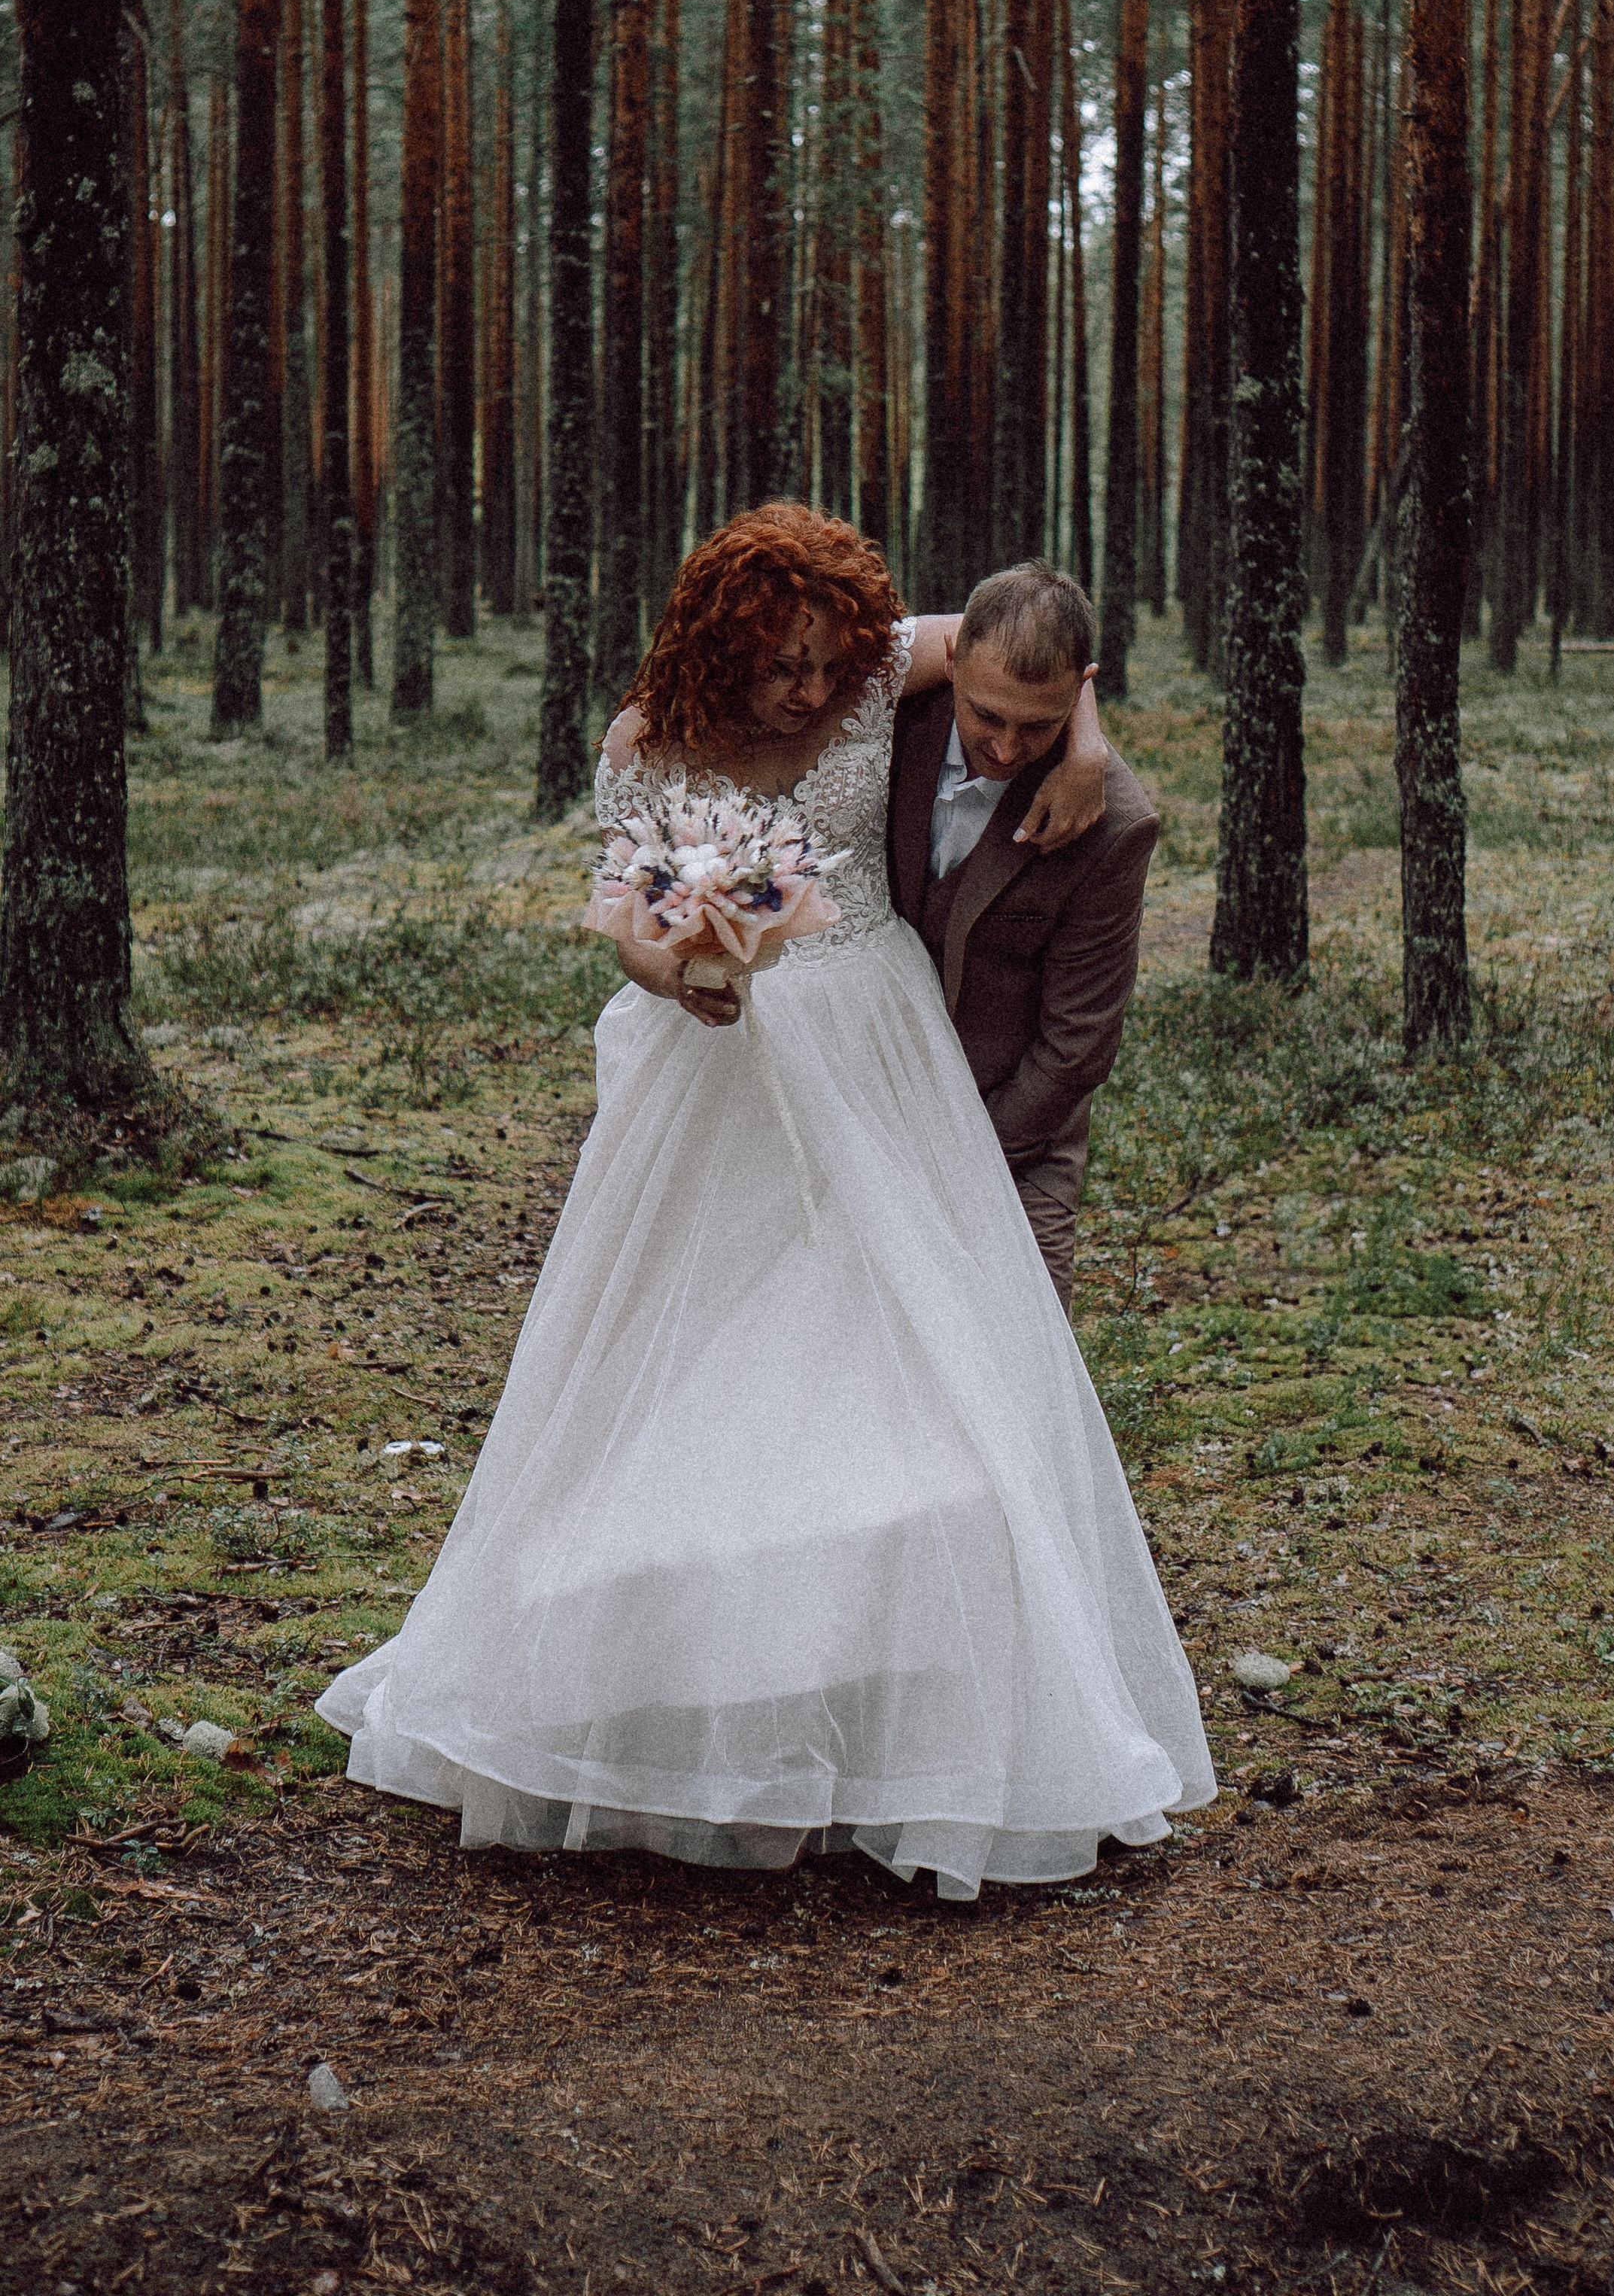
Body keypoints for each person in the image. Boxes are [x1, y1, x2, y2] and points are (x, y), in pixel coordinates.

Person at [318, 506, 1212, 1900]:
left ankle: (885, 1715)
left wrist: (1088, 740)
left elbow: (1020, 658)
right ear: (720, 647)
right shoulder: (644, 750)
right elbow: (626, 921)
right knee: (689, 1363)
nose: (812, 689)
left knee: (893, 1363)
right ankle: (670, 1697)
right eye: (781, 667)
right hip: (719, 1063)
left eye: (824, 662)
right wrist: (685, 973)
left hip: (879, 1047)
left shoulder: (871, 677)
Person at [889, 561, 1157, 1311]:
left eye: (1038, 726)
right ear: (949, 666)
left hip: (1013, 1130)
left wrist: (965, 1162)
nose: (1006, 750)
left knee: (1021, 1352)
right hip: (864, 1099)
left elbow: (1075, 1047)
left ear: (1080, 693)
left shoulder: (1115, 828)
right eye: (986, 717)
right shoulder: (884, 728)